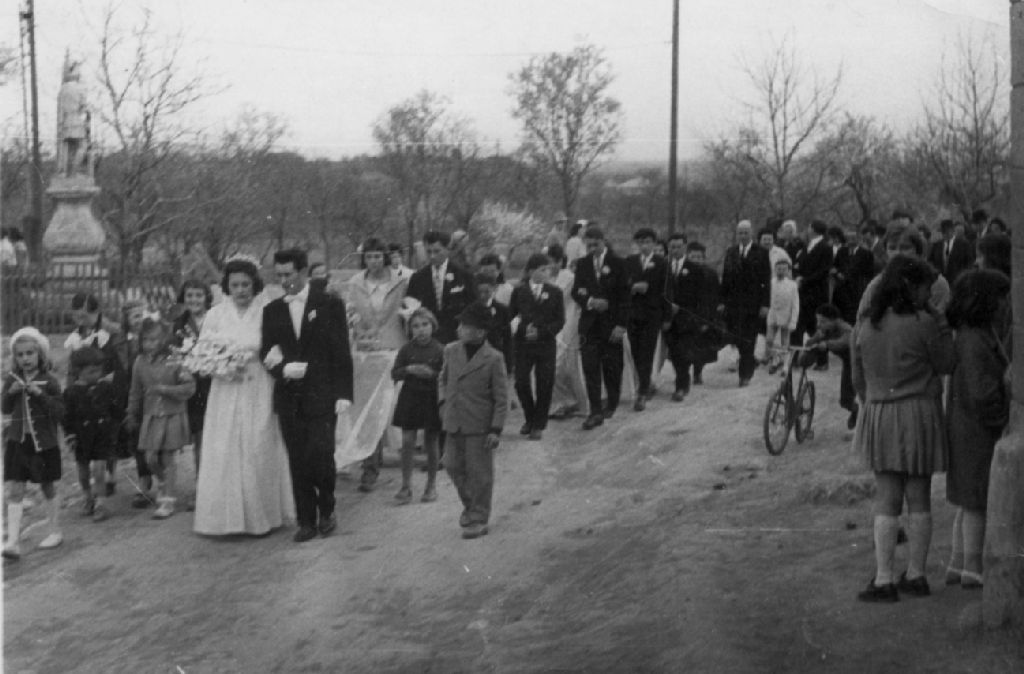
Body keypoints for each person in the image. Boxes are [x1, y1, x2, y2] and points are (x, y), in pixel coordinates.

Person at [851, 256, 954, 603]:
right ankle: (916, 575)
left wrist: (874, 400)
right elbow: (946, 363)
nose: (929, 295)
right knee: (919, 496)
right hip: (920, 413)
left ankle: (883, 579)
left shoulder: (866, 324)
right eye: (925, 288)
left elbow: (857, 379)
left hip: (881, 412)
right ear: (910, 286)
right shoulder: (925, 323)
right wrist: (940, 321)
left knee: (887, 497)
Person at [193, 256, 296, 536]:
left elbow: (278, 348)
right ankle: (225, 520)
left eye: (246, 284)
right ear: (226, 286)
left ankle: (262, 516)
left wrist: (269, 360)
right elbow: (202, 354)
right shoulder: (215, 315)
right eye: (235, 285)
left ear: (255, 285)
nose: (240, 290)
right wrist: (221, 366)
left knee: (258, 445)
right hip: (226, 388)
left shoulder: (267, 312)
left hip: (258, 385)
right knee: (225, 448)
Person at [262, 248, 353, 543]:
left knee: (321, 454)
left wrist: (343, 393)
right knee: (298, 458)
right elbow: (266, 352)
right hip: (289, 397)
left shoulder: (329, 304)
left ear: (303, 272)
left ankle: (327, 509)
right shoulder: (272, 310)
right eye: (279, 275)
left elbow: (341, 351)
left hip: (322, 394)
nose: (284, 281)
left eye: (288, 274)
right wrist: (283, 369)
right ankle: (306, 520)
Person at [944, 269, 1011, 589]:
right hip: (978, 430)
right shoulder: (975, 339)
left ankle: (957, 564)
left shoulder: (970, 333)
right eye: (1000, 298)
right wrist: (1004, 416)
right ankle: (972, 569)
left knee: (967, 501)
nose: (1004, 304)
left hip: (966, 426)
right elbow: (982, 392)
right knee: (977, 502)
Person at [339, 239, 409, 493]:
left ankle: (402, 461)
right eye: (369, 257)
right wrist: (356, 325)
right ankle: (370, 466)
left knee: (389, 407)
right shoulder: (356, 283)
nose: (374, 261)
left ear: (386, 257)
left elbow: (409, 310)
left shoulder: (401, 281)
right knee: (368, 408)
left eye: (378, 256)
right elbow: (350, 312)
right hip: (366, 351)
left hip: (392, 349)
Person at [438, 302, 508, 540]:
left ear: (480, 332)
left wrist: (495, 428)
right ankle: (470, 504)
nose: (459, 329)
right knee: (451, 464)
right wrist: (442, 403)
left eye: (465, 326)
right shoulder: (451, 350)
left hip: (479, 425)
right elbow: (442, 379)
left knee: (480, 473)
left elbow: (501, 397)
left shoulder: (494, 358)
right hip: (453, 420)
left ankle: (479, 516)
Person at [2, 328, 65, 560]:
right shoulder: (12, 379)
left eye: (30, 353)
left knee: (47, 485)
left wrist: (40, 393)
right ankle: (13, 542)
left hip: (44, 444)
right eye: (20, 355)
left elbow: (60, 411)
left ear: (40, 354)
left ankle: (55, 531)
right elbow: (4, 408)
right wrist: (10, 393)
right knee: (15, 489)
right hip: (18, 442)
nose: (25, 358)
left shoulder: (49, 381)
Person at [124, 319, 195, 519]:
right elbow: (135, 391)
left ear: (164, 339)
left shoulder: (175, 359)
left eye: (154, 339)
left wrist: (165, 389)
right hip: (152, 416)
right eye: (146, 340)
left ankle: (168, 501)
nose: (150, 344)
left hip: (173, 415)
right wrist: (131, 413)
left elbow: (190, 387)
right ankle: (164, 482)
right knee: (150, 459)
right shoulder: (139, 362)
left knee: (168, 458)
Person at [64, 292, 127, 498]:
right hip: (84, 388)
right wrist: (71, 387)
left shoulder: (111, 332)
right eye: (76, 317)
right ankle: (93, 483)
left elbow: (121, 363)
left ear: (96, 311)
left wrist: (110, 381)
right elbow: (73, 366)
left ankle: (110, 474)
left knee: (109, 431)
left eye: (84, 316)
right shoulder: (77, 335)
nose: (80, 321)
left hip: (108, 384)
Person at [572, 226, 631, 430]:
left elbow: (625, 297)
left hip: (611, 325)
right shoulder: (583, 264)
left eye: (595, 244)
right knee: (590, 368)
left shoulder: (618, 263)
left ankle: (612, 402)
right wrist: (590, 301)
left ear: (603, 241)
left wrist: (621, 325)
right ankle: (595, 411)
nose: (592, 249)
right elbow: (576, 291)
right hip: (589, 326)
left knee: (612, 367)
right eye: (588, 245)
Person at [508, 253, 565, 440]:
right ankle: (530, 417)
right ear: (531, 271)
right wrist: (523, 329)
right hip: (523, 345)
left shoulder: (555, 292)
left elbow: (560, 320)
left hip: (545, 345)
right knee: (521, 382)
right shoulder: (519, 291)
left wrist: (542, 332)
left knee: (545, 383)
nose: (546, 272)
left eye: (548, 269)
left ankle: (539, 424)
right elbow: (511, 317)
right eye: (542, 269)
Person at [391, 308, 444, 504]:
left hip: (431, 397)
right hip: (410, 397)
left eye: (425, 325)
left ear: (433, 326)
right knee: (407, 441)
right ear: (410, 329)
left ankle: (431, 485)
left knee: (431, 441)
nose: (421, 330)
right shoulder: (406, 350)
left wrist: (432, 374)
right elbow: (395, 373)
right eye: (415, 326)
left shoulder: (440, 349)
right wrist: (409, 369)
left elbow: (446, 375)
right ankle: (406, 485)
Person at [64, 347, 123, 523]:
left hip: (102, 435)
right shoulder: (70, 392)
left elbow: (115, 409)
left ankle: (101, 503)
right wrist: (70, 435)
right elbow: (67, 417)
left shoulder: (106, 387)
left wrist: (117, 424)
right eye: (91, 371)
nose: (97, 375)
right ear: (78, 371)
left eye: (99, 370)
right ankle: (88, 497)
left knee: (99, 469)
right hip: (82, 437)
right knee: (83, 473)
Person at [172, 279, 214, 510]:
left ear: (206, 297)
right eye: (189, 296)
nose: (194, 300)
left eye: (199, 295)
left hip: (214, 383)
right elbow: (174, 353)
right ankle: (200, 487)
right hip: (192, 386)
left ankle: (216, 486)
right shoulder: (179, 324)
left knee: (215, 438)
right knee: (199, 438)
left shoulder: (216, 318)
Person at [663, 237, 719, 400]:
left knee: (683, 352)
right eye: (672, 247)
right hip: (668, 319)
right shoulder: (663, 267)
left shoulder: (694, 269)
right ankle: (682, 379)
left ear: (684, 248)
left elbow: (703, 297)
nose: (675, 250)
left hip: (687, 319)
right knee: (674, 353)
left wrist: (702, 320)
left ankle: (681, 386)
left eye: (678, 247)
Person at [856, 225, 952, 320]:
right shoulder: (876, 285)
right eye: (892, 248)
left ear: (918, 252)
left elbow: (937, 321)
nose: (898, 253)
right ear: (885, 253)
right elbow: (861, 321)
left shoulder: (935, 283)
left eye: (905, 248)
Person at [719, 220, 771, 387]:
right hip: (734, 303)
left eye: (745, 232)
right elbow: (726, 278)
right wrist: (722, 300)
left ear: (751, 233)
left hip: (753, 304)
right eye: (740, 233)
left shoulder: (761, 252)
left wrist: (765, 304)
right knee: (737, 338)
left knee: (749, 338)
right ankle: (744, 365)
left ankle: (745, 374)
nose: (742, 236)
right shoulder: (731, 252)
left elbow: (766, 280)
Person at [406, 231, 478, 345]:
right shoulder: (417, 278)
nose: (432, 256)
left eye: (437, 251)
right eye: (428, 252)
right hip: (427, 340)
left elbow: (473, 307)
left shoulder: (464, 275)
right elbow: (410, 310)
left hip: (456, 338)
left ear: (447, 249)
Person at [625, 228, 668, 411]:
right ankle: (642, 384)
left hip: (652, 315)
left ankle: (642, 392)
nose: (644, 246)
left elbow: (667, 290)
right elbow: (622, 285)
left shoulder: (661, 263)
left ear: (654, 243)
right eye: (641, 242)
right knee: (635, 352)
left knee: (647, 353)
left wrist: (666, 317)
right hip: (633, 315)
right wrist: (633, 287)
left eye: (648, 242)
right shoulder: (630, 261)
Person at [547, 244, 588, 419]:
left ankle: (581, 404)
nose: (549, 266)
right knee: (557, 366)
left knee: (568, 366)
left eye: (552, 262)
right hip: (556, 325)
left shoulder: (568, 277)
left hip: (570, 323)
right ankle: (563, 403)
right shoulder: (549, 278)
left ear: (559, 262)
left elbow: (556, 298)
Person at [801, 304, 857, 429]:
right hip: (849, 363)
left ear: (834, 320)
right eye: (818, 321)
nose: (818, 325)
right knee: (845, 401)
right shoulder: (825, 330)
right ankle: (857, 412)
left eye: (823, 321)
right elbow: (811, 341)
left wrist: (827, 344)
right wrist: (810, 343)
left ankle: (864, 419)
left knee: (864, 396)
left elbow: (845, 342)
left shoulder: (845, 328)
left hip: (860, 363)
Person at [794, 219, 833, 368]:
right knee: (799, 325)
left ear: (814, 229)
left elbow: (823, 271)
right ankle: (795, 358)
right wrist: (798, 276)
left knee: (817, 326)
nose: (807, 230)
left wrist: (805, 280)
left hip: (817, 292)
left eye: (809, 227)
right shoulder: (807, 246)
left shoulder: (825, 247)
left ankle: (822, 360)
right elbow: (799, 264)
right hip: (803, 292)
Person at [833, 226, 875, 325]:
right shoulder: (841, 251)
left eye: (853, 238)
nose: (850, 240)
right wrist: (838, 274)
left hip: (856, 290)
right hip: (841, 290)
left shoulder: (866, 253)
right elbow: (834, 267)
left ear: (858, 239)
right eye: (848, 238)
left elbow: (869, 272)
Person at [475, 271, 513, 375]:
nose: (482, 296)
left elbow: (507, 339)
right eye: (479, 292)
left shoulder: (502, 310)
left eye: (486, 292)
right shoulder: (470, 309)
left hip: (495, 358)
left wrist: (508, 365)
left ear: (494, 289)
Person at [765, 259, 799, 374]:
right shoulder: (771, 283)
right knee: (769, 340)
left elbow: (795, 305)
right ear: (775, 270)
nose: (781, 271)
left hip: (786, 317)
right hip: (773, 316)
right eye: (779, 269)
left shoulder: (792, 285)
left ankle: (785, 365)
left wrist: (793, 321)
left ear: (788, 271)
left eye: (784, 269)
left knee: (785, 343)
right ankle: (775, 360)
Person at [928, 219, 973, 286]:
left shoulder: (964, 244)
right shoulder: (937, 245)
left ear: (953, 230)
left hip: (958, 281)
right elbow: (930, 261)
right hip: (940, 282)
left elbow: (969, 262)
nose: (946, 234)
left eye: (947, 231)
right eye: (943, 232)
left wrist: (963, 277)